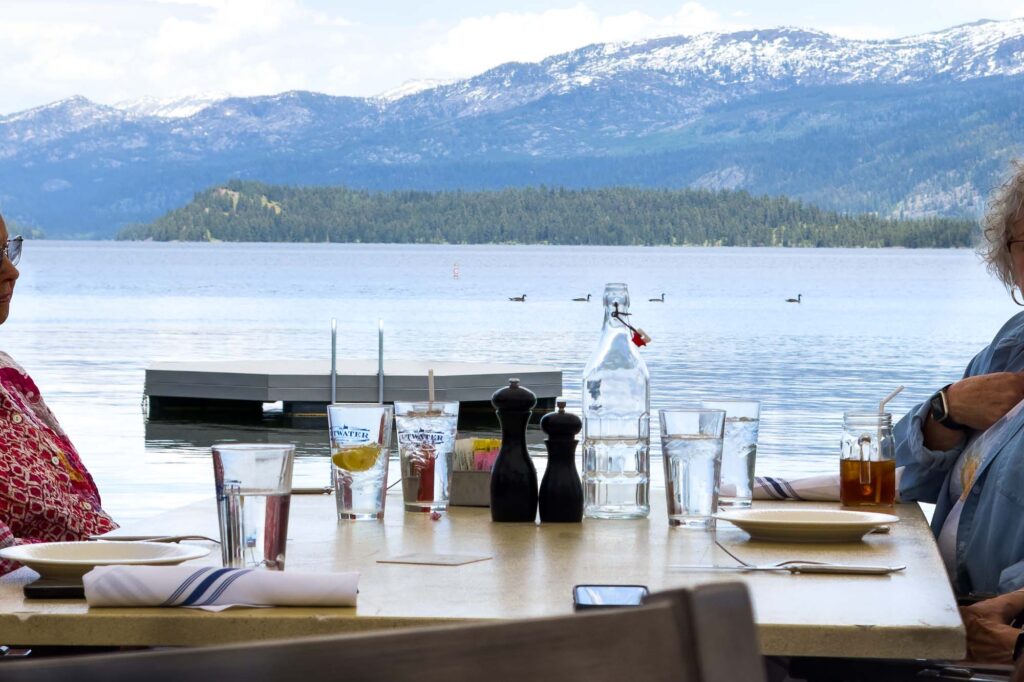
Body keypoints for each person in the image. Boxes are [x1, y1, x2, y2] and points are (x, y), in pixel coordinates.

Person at [0, 213, 117, 574]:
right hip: (41, 617)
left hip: (97, 591)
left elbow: (87, 512)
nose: (13, 272)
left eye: (7, 251)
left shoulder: (10, 377)